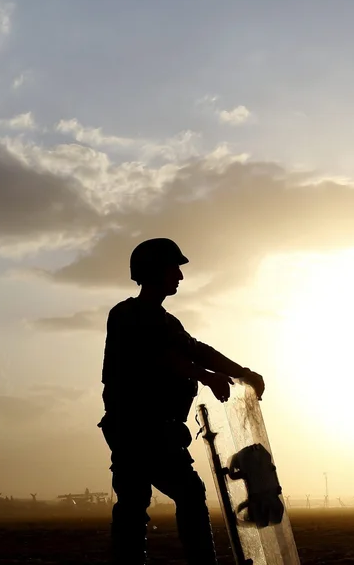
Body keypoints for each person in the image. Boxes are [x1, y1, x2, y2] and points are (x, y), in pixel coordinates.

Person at [99, 237, 266, 565]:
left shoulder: (166, 322)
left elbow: (195, 350)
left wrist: (241, 372)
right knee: (158, 499)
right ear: (153, 271)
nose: (180, 276)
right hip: (136, 429)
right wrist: (205, 375)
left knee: (146, 502)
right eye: (173, 268)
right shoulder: (127, 315)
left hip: (162, 431)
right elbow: (156, 356)